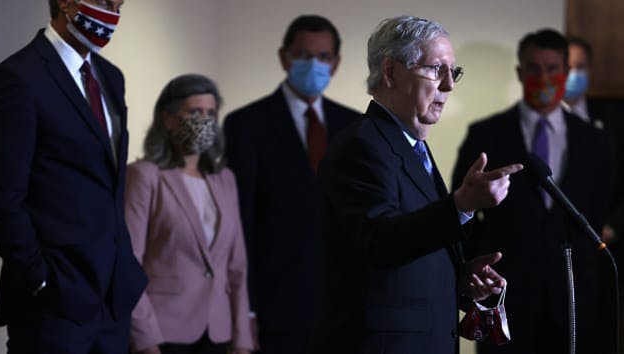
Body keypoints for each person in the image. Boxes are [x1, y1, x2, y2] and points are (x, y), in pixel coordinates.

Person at [317, 15, 522, 354]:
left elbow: (410, 250)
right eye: (435, 69)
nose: (449, 85)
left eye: (453, 72)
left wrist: (460, 277)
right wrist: (461, 206)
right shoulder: (361, 146)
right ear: (391, 72)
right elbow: (380, 243)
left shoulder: (412, 146)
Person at [0, 0, 147, 353]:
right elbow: (3, 198)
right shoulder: (19, 77)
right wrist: (41, 279)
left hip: (112, 302)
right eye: (104, 1)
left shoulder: (111, 77)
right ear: (65, 2)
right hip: (54, 306)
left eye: (119, 2)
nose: (115, 7)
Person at [452, 29, 614, 354]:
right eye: (534, 68)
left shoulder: (595, 142)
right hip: (507, 298)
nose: (544, 77)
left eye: (552, 68)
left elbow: (603, 208)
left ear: (566, 73)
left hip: (575, 296)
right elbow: (462, 210)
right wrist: (478, 272)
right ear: (519, 72)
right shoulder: (486, 134)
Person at [223, 14, 359, 353]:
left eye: (323, 57)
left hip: (345, 309)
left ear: (336, 63)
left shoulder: (355, 127)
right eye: (303, 55)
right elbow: (242, 224)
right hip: (275, 308)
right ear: (284, 58)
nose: (313, 64)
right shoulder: (246, 125)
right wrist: (247, 309)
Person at [125, 75, 253, 354]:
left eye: (210, 113)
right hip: (163, 334)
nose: (204, 121)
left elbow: (237, 267)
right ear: (168, 119)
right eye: (194, 112)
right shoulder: (145, 176)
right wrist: (145, 340)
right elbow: (128, 265)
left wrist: (243, 340)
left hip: (218, 334)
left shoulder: (225, 179)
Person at [562, 36, 624, 248]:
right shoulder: (535, 122)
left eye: (580, 67)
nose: (573, 74)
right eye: (567, 67)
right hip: (555, 242)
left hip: (605, 244)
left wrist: (614, 226)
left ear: (590, 70)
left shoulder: (615, 119)